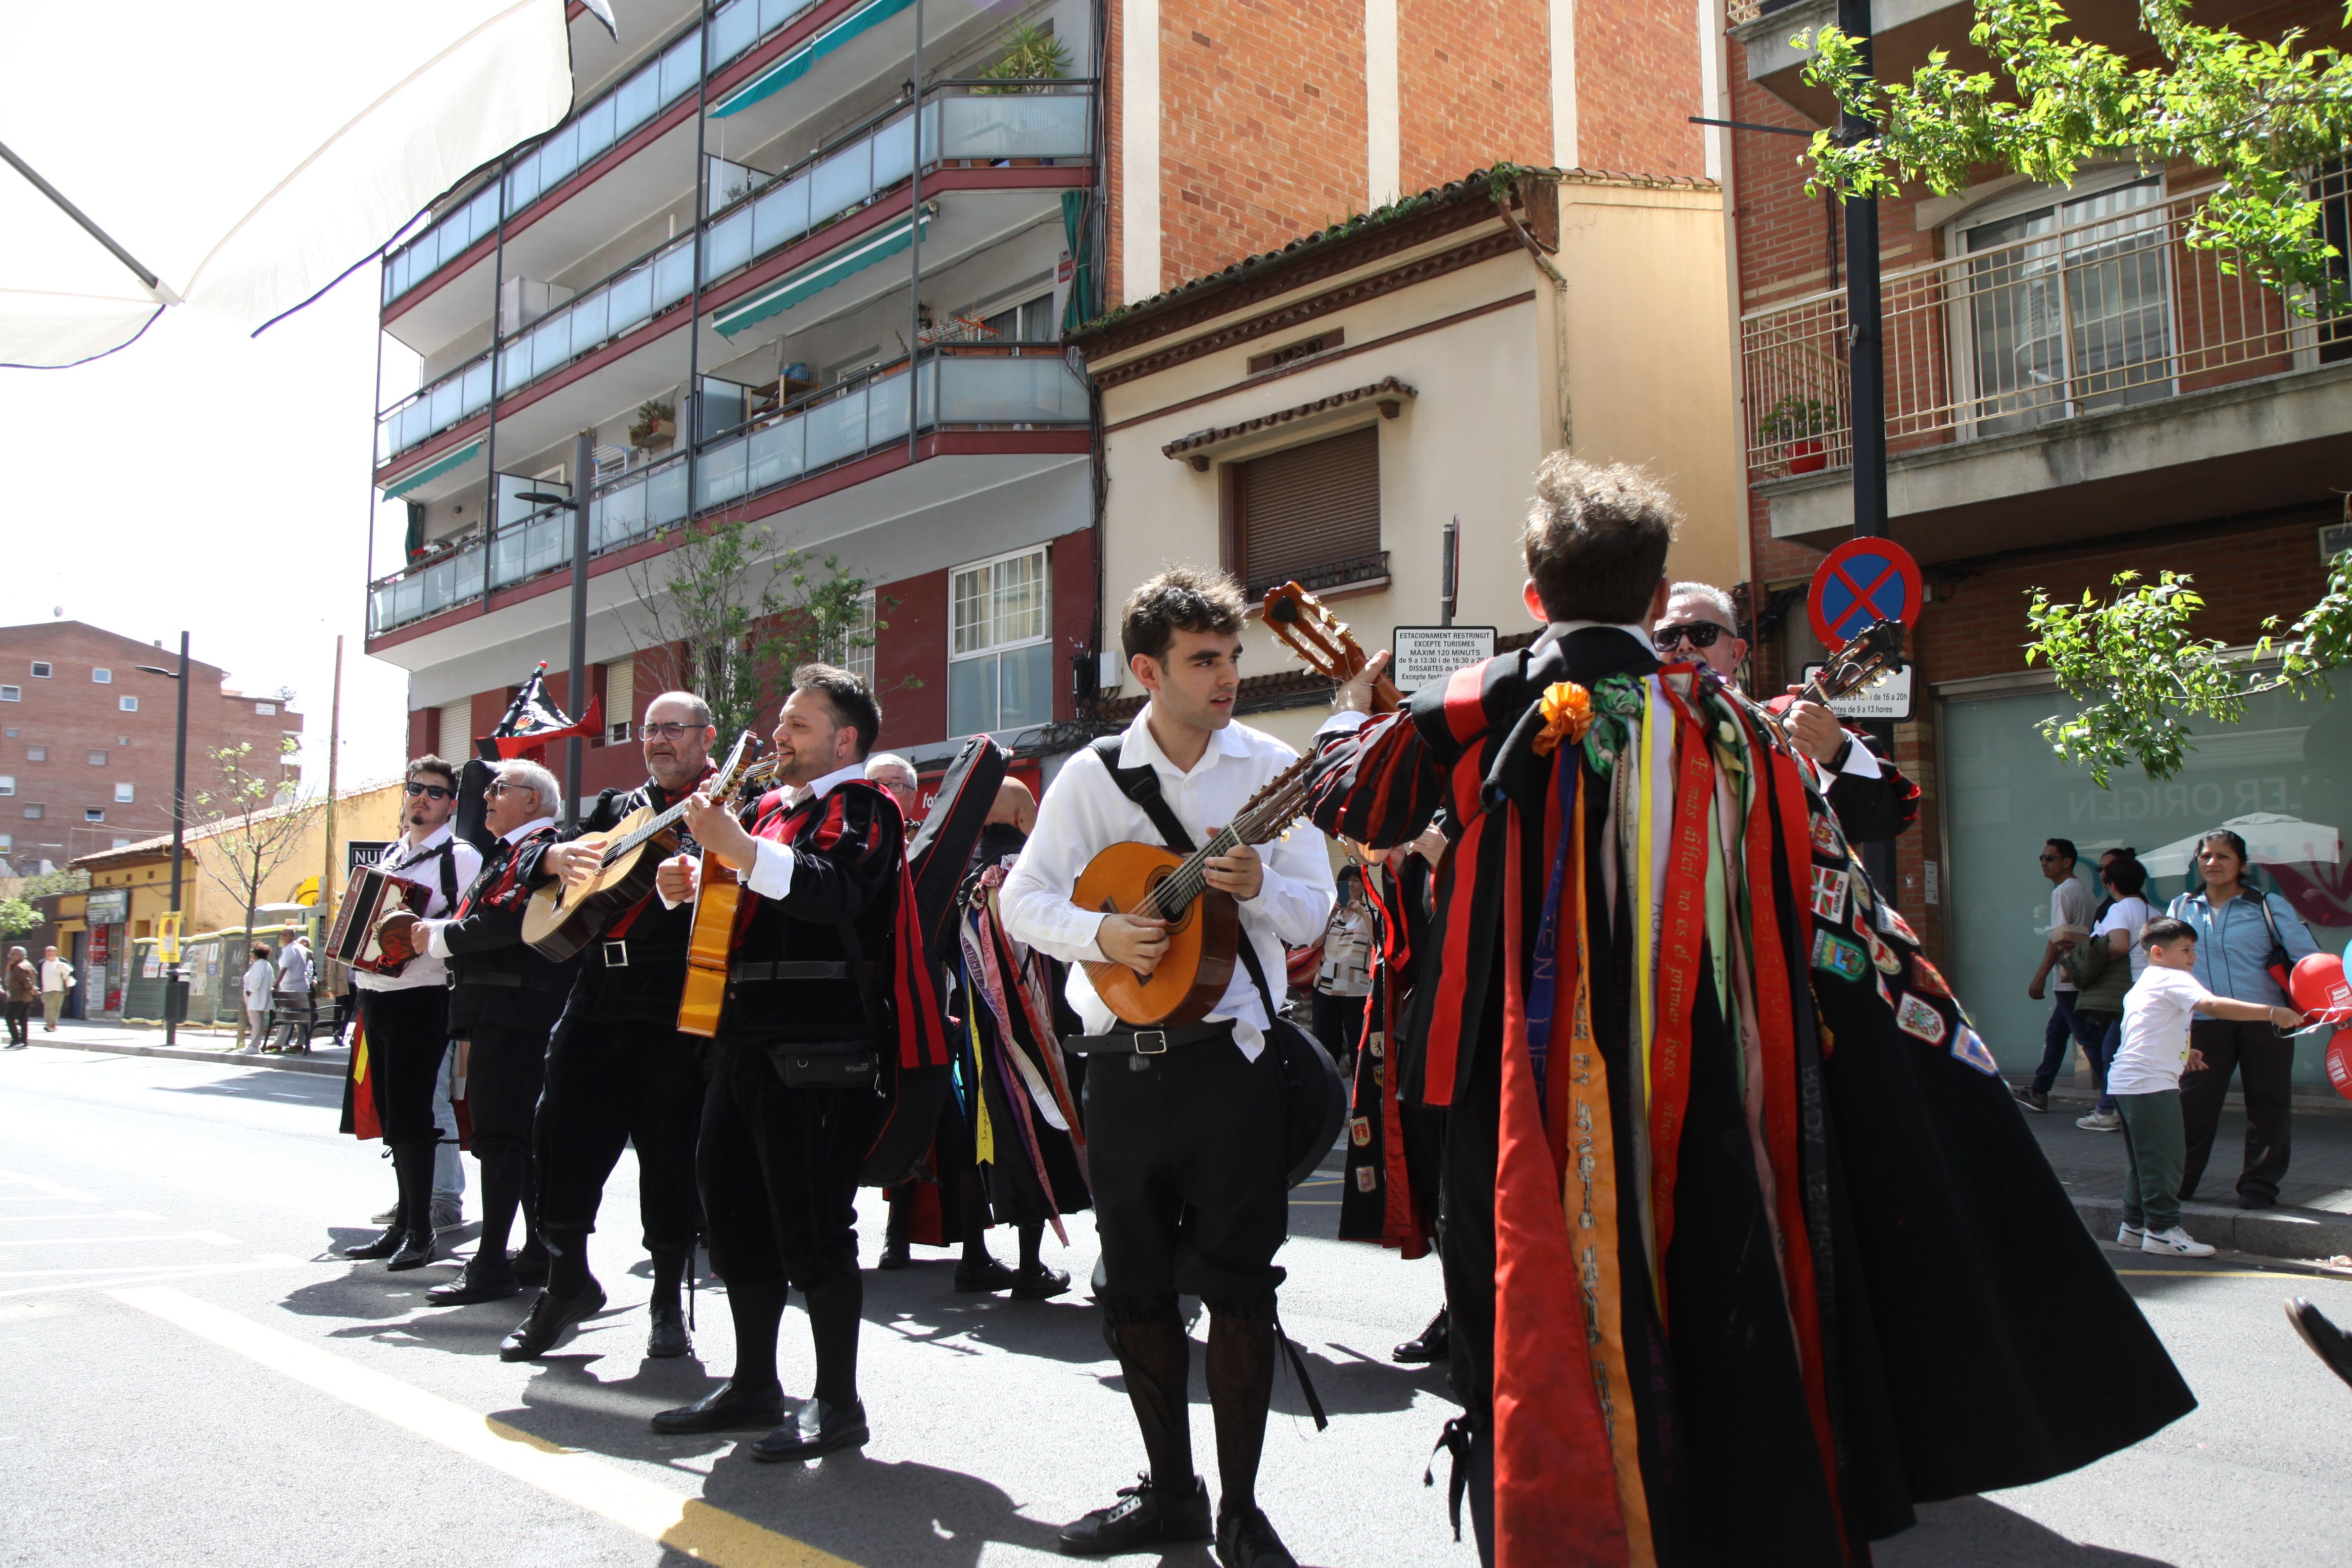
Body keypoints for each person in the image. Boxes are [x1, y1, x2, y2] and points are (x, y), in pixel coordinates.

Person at [1304, 453, 2192, 1565]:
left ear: (1534, 597)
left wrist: (1427, 688)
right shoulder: (1749, 741)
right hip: (1727, 1105)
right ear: (1653, 593)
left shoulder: (1482, 719)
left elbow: (1343, 787)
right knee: (1734, 1353)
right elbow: (1861, 928)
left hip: (1514, 1116)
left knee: (1527, 1358)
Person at [1000, 568, 1336, 1568]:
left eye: (1232, 656)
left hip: (1231, 1063)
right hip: (1123, 1064)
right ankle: (1171, 1495)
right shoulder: (1093, 776)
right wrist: (1104, 936)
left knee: (1239, 1287)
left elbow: (1316, 910)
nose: (1228, 675)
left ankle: (1241, 1509)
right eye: (1204, 660)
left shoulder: (1275, 767)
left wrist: (1260, 883)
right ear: (1148, 670)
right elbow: (1024, 901)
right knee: (1135, 1288)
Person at [649, 664, 949, 1464]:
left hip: (819, 1049)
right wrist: (689, 882)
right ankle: (754, 1382)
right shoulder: (770, 812)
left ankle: (837, 1400)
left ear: (844, 738)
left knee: (816, 1224)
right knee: (736, 1214)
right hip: (743, 1041)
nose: (779, 735)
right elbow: (734, 913)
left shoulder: (865, 807)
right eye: (782, 722)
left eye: (798, 725)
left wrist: (736, 849)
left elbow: (834, 891)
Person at [502, 692, 720, 1363]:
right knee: (556, 1136)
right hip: (595, 992)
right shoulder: (612, 809)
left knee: (668, 1153)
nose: (657, 740)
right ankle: (567, 1281)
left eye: (672, 730)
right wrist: (549, 862)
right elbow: (520, 872)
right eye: (650, 730)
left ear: (707, 738)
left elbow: (745, 885)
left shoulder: (726, 806)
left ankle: (664, 1304)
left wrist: (695, 882)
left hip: (675, 997)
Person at [398, 758, 578, 1307]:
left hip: (515, 1008)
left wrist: (436, 937)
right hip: (500, 1007)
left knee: (501, 1137)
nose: (488, 798)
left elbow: (508, 920)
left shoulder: (541, 847)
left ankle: (492, 1263)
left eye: (502, 788)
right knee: (510, 1139)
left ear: (534, 801)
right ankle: (532, 1252)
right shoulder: (511, 850)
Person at [343, 756, 484, 1268]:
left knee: (414, 1110)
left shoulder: (461, 858)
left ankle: (421, 1231)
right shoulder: (391, 853)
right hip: (375, 994)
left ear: (451, 804)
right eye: (415, 789)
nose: (421, 798)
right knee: (391, 1112)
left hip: (422, 997)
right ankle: (405, 1222)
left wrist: (417, 934)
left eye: (434, 792)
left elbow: (467, 927)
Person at [1652, 580, 1919, 843]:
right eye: (1668, 637)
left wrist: (1835, 753)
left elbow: (1877, 825)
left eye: (1703, 633)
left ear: (1736, 653)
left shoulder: (1791, 721)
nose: (1685, 645)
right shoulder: (1631, 729)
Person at [2110, 917, 2303, 1256]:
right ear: (2158, 952)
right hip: (2150, 1084)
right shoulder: (2173, 978)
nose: (2193, 957)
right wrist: (2272, 1012)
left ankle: (2134, 1225)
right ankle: (2162, 1230)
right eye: (2186, 950)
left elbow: (2146, 1031)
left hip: (2128, 1082)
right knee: (2167, 1160)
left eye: (2194, 950)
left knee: (2145, 1162)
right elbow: (2212, 1006)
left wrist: (2185, 1052)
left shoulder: (2145, 982)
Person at [2167, 828, 2322, 1210]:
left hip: (2266, 1020)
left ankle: (2259, 1187)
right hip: (2204, 1022)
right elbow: (2164, 967)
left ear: (2242, 865)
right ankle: (2179, 1184)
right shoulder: (2182, 907)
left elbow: (2308, 960)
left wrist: (2330, 1007)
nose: (2213, 863)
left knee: (2268, 1105)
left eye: (2223, 857)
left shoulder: (2267, 906)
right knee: (2193, 1105)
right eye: (2206, 856)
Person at [2076, 857, 2157, 1132]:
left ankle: (2108, 1110)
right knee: (2133, 1052)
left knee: (2113, 1053)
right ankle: (2123, 1109)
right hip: (2149, 990)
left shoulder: (2120, 910)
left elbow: (2119, 946)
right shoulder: (2154, 911)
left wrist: (2093, 955)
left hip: (2125, 991)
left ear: (2111, 884)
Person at [2016, 838, 2097, 1112]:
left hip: (2070, 976)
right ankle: (2039, 1090)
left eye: (2050, 858)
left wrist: (2040, 975)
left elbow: (2058, 938)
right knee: (2057, 1033)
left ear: (2068, 862)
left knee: (2087, 1039)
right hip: (2079, 974)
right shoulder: (2084, 891)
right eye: (2042, 857)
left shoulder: (2063, 892)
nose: (2044, 862)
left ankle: (2116, 1098)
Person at [270, 933, 315, 1054]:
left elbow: (284, 969)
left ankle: (279, 1043)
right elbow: (310, 954)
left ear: (288, 936)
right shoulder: (299, 947)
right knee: (301, 1017)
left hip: (291, 989)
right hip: (302, 987)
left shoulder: (290, 950)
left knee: (288, 1016)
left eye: (282, 935)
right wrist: (302, 968)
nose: (281, 937)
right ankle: (300, 1043)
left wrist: (275, 985)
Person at [865, 751, 921, 824]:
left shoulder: (925, 834)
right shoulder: (852, 833)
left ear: (913, 796)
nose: (885, 792)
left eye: (895, 785)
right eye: (877, 785)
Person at [240, 945, 275, 1053]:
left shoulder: (259, 966)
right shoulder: (267, 965)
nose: (250, 954)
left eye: (252, 952)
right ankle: (255, 1044)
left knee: (256, 1021)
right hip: (260, 998)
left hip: (255, 998)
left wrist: (250, 991)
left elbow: (256, 981)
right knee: (257, 1021)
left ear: (256, 954)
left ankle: (254, 1045)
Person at [3, 946, 35, 1048]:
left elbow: (26, 981)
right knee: (23, 1018)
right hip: (26, 996)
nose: (10, 956)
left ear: (21, 956)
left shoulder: (19, 967)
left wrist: (30, 988)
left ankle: (16, 1040)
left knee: (9, 1018)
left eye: (13, 954)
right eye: (10, 954)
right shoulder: (28, 964)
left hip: (18, 996)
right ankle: (24, 1041)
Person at [39, 946, 72, 1031]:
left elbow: (72, 971)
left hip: (59, 989)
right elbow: (37, 975)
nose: (49, 953)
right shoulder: (42, 963)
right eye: (47, 951)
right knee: (49, 1007)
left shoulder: (62, 962)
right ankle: (48, 1024)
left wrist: (65, 972)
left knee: (57, 1007)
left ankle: (53, 1024)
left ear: (56, 952)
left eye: (51, 951)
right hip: (46, 990)